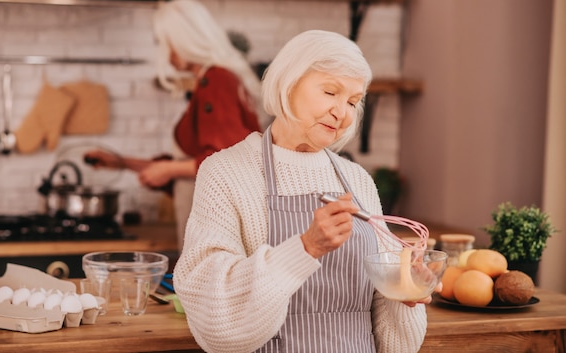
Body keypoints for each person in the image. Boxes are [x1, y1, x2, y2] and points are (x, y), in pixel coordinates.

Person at [173, 30, 432, 353]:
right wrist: (305, 248)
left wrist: (404, 292)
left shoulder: (356, 179)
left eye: (353, 101)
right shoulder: (226, 172)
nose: (342, 112)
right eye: (329, 92)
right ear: (289, 83)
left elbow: (397, 342)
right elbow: (214, 313)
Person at [84, 0, 263, 250]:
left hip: (214, 226)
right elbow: (193, 163)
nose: (165, 53)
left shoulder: (215, 81)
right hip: (208, 221)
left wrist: (167, 170)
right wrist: (122, 163)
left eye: (165, 43)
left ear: (183, 40)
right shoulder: (216, 80)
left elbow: (228, 160)